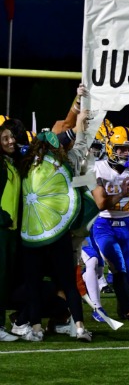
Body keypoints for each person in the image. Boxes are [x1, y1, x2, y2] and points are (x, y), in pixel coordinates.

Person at [17, 121, 92, 342]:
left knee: (33, 285)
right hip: (59, 235)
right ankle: (80, 327)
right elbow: (81, 188)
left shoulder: (23, 167)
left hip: (32, 235)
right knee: (68, 284)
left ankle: (36, 329)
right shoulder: (64, 165)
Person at [91, 125, 129, 330]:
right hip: (105, 224)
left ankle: (124, 308)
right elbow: (101, 204)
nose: (126, 153)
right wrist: (121, 194)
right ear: (111, 148)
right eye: (122, 148)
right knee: (118, 267)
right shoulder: (98, 168)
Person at [0, 122, 21, 341]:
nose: (11, 141)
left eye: (11, 137)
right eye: (5, 138)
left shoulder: (10, 162)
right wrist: (2, 218)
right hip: (2, 230)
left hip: (10, 231)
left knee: (6, 280)